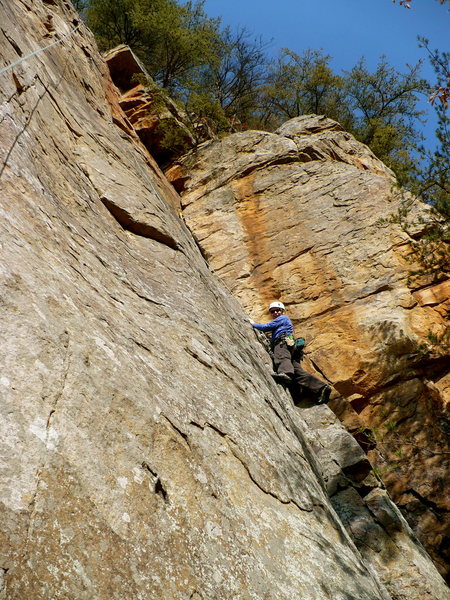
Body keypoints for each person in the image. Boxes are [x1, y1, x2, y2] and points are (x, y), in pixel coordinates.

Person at [251, 301, 331, 404]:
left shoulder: (282, 318)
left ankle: (285, 374)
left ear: (282, 311)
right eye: (272, 311)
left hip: (282, 342)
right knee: (297, 371)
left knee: (282, 357)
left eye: (277, 310)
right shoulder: (283, 321)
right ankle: (321, 388)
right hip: (289, 345)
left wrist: (253, 324)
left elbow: (267, 327)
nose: (275, 313)